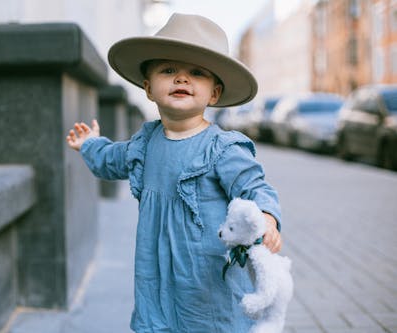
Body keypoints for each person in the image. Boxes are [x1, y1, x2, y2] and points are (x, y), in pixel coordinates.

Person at [66, 13, 282, 333]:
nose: (181, 78)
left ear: (215, 94)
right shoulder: (145, 143)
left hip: (207, 282)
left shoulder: (222, 148)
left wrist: (267, 216)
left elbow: (254, 186)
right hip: (156, 276)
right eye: (168, 70)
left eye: (196, 72)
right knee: (159, 324)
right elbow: (112, 158)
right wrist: (89, 144)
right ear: (149, 88)